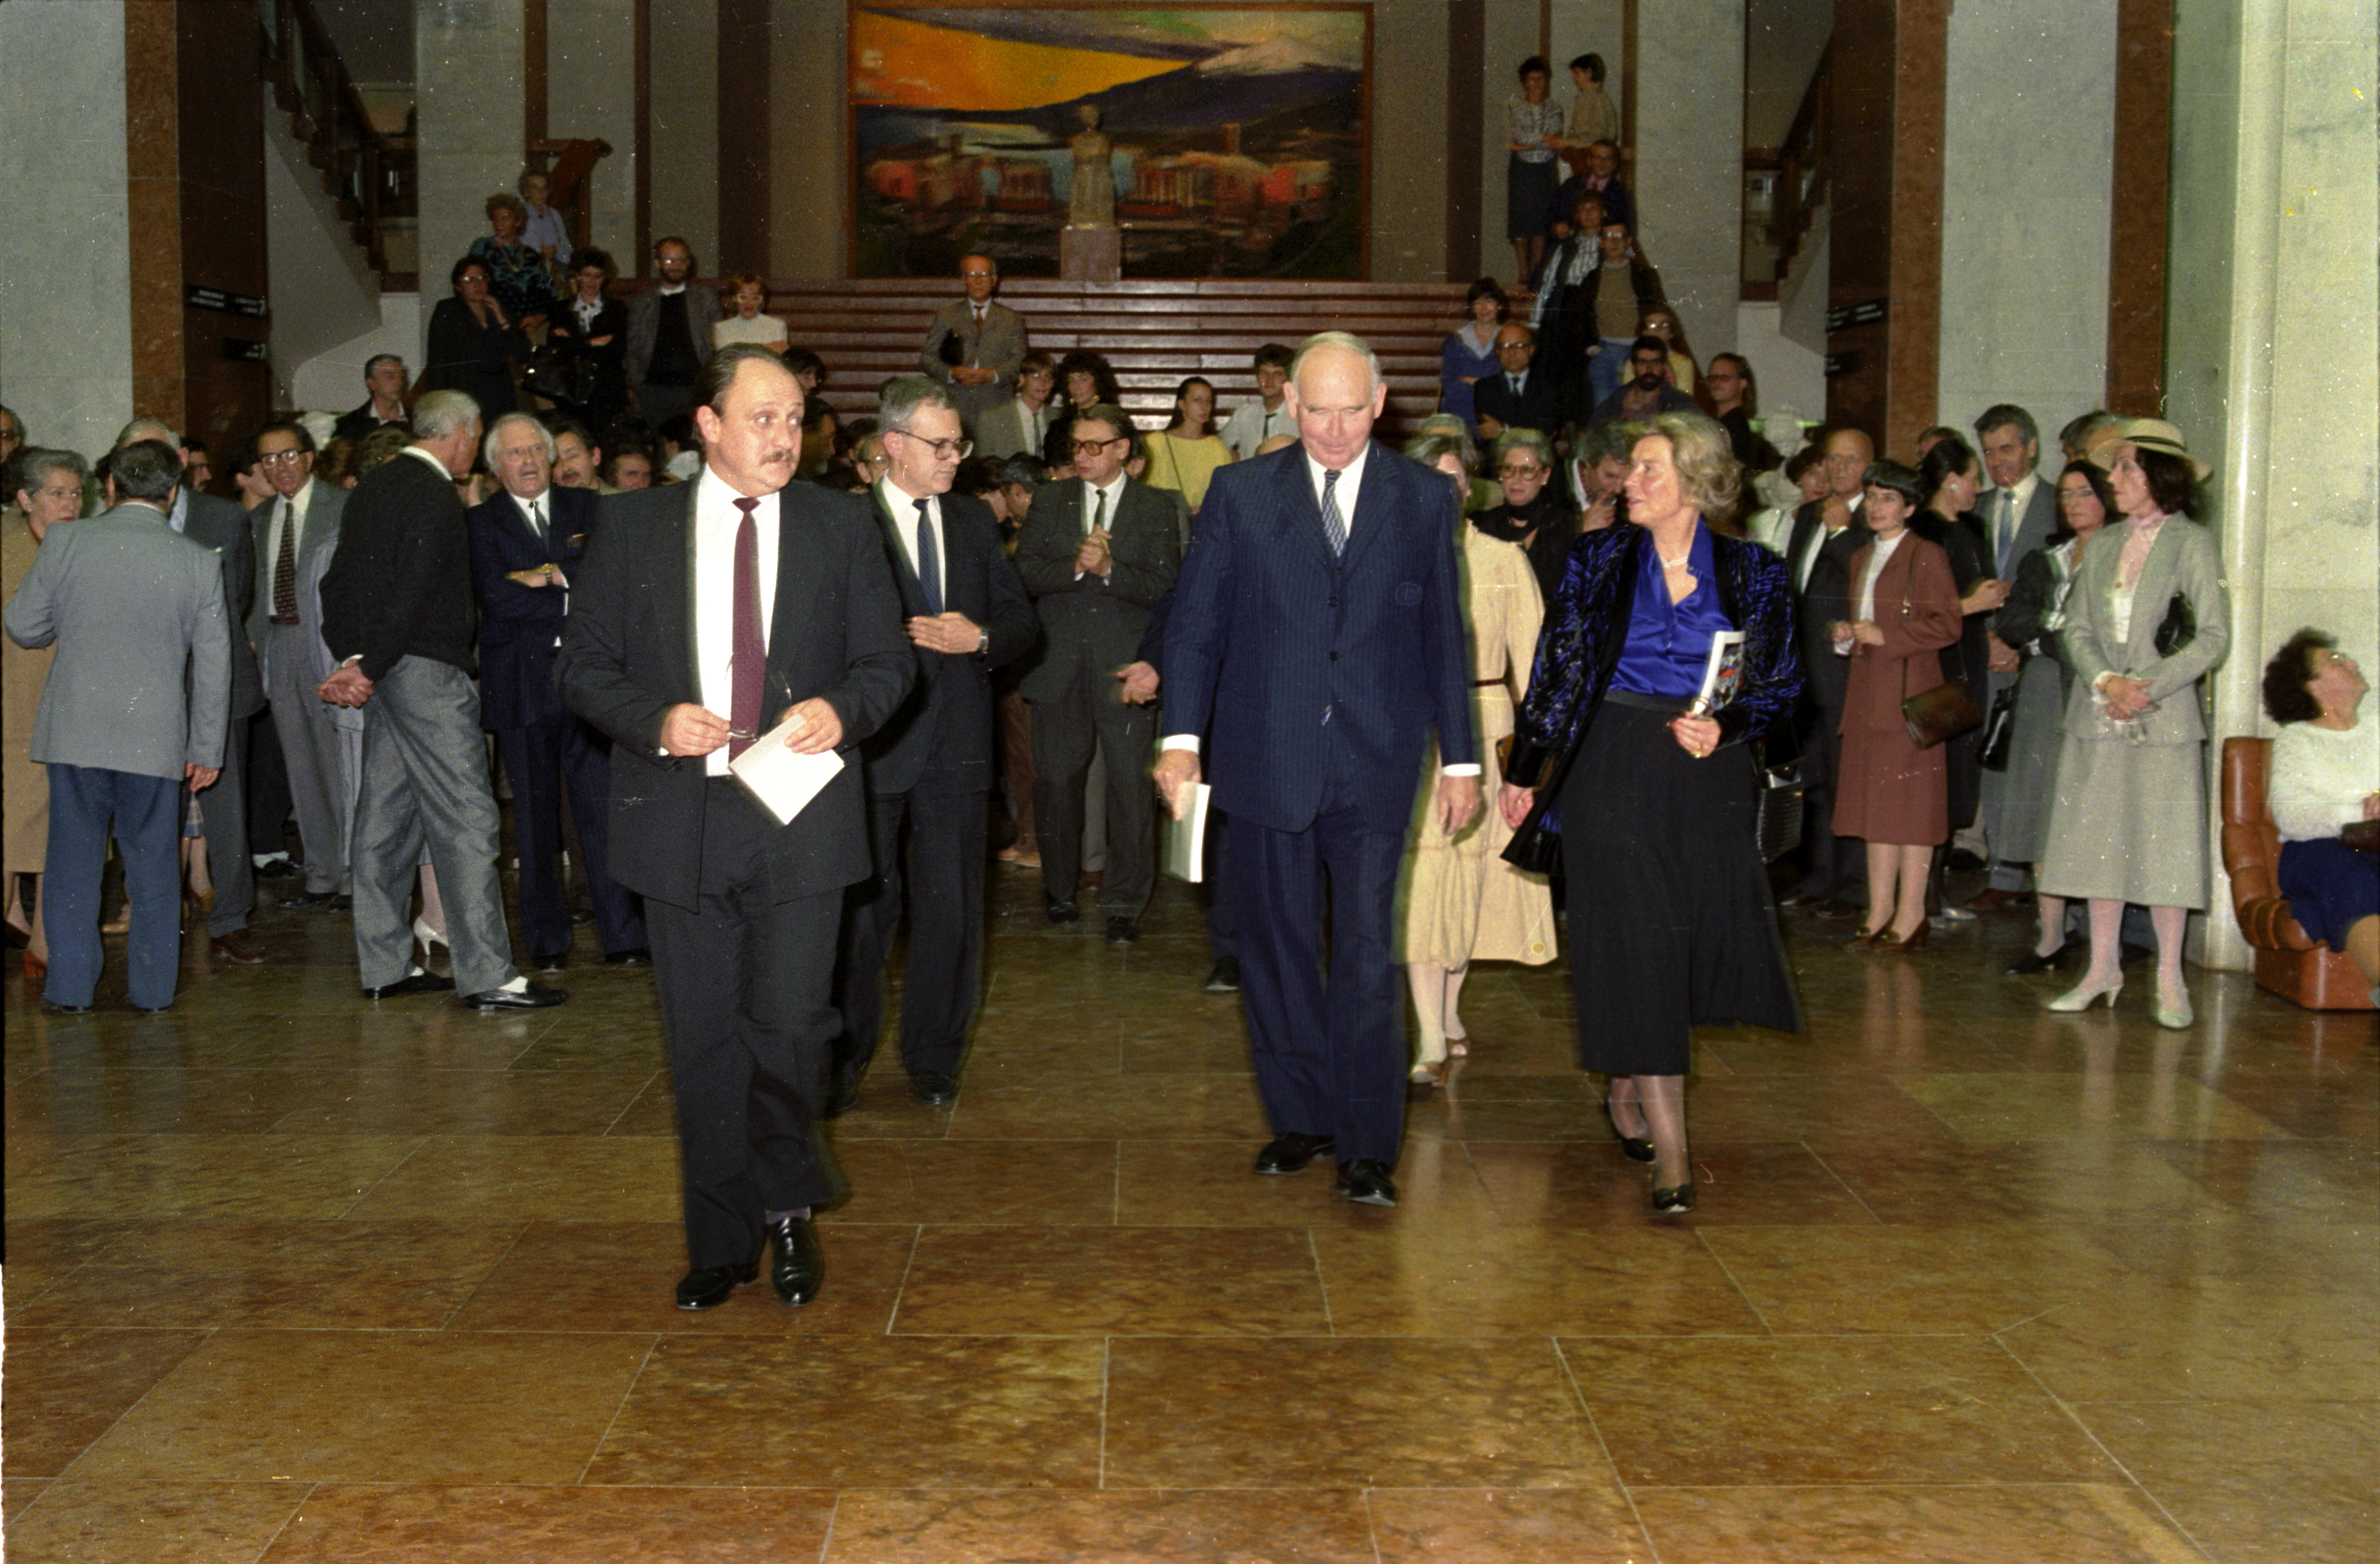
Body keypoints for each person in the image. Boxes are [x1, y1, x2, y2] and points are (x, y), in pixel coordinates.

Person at [557, 345, 914, 1312]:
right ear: (707, 426)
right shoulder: (632, 529)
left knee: (793, 1025)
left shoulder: (843, 526)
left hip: (799, 809)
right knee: (704, 1036)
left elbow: (889, 663)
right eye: (764, 418)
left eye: (797, 418)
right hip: (682, 814)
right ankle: (720, 1237)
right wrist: (653, 720)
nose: (786, 437)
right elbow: (582, 667)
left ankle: (788, 1202)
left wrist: (847, 708)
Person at [1155, 332, 1480, 1211]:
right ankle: (1300, 1115)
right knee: (1276, 946)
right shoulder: (1239, 491)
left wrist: (1460, 756)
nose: (1333, 429)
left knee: (1369, 951)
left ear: (1379, 404)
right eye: (1316, 409)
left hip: (1377, 760)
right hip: (1265, 756)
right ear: (1287, 407)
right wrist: (1180, 736)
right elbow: (1194, 626)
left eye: (1350, 409)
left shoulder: (1419, 497)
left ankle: (1368, 1143)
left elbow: (1443, 635)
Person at [1497, 412, 1802, 1215]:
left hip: (1706, 773)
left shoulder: (1754, 570)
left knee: (1683, 935)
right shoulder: (1596, 556)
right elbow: (1556, 670)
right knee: (1633, 934)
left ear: (1694, 480)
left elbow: (1777, 684)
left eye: (1644, 469)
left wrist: (1727, 723)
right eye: (1625, 468)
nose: (1623, 480)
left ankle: (1626, 1073)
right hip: (1612, 764)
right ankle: (1672, 1149)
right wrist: (1526, 771)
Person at [316, 390, 563, 1013]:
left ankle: (384, 964)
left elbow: (336, 582)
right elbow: (419, 590)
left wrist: (353, 661)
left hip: (388, 672)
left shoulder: (374, 485)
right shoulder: (433, 496)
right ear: (459, 434)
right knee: (470, 820)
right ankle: (487, 975)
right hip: (425, 672)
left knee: (384, 821)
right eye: (475, 436)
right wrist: (369, 664)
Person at [832, 375, 1038, 1112]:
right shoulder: (844, 525)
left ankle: (935, 1056)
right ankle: (843, 1057)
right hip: (873, 749)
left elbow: (1021, 624)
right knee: (862, 915)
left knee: (952, 911)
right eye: (940, 445)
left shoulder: (975, 524)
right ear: (894, 447)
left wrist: (976, 636)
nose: (955, 458)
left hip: (956, 746)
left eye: (960, 444)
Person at [5, 440, 228, 1014]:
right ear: (173, 493)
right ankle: (152, 993)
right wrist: (205, 747)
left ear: (109, 488)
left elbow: (24, 626)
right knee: (154, 872)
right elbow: (215, 666)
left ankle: (70, 989)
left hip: (75, 733)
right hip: (155, 740)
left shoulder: (67, 541)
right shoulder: (200, 560)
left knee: (72, 866)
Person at [2038, 421, 2232, 1028]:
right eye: (2113, 468)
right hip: (2099, 716)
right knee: (2097, 845)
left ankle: (2171, 978)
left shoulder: (2191, 543)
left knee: (2164, 847)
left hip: (2162, 721)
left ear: (2159, 475)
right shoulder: (2104, 543)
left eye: (2127, 468)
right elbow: (2075, 628)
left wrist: (2145, 686)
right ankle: (2102, 968)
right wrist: (2106, 683)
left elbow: (2213, 638)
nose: (2113, 480)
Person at [466, 411, 648, 972]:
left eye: (535, 451)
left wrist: (542, 576)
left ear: (551, 458)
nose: (526, 461)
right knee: (535, 823)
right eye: (514, 453)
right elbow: (496, 602)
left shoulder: (588, 509)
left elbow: (607, 582)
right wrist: (567, 578)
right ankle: (546, 943)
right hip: (521, 690)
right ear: (497, 466)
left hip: (589, 686)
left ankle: (624, 936)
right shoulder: (478, 523)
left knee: (603, 813)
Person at [1398, 432, 1553, 1086]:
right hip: (1412, 736)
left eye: (1456, 479)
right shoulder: (1387, 558)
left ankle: (1450, 1011)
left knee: (1477, 881)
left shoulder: (1502, 560)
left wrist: (1534, 764)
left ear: (1471, 488)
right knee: (1429, 883)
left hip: (1487, 725)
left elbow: (1538, 669)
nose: (1445, 490)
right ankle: (1428, 1035)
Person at [1016, 402, 1180, 941]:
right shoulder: (1050, 498)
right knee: (1057, 783)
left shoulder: (1156, 506)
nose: (1081, 456)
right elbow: (1025, 574)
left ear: (1123, 450)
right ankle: (1059, 892)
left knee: (1131, 791)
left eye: (1094, 446)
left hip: (1124, 671)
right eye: (1076, 446)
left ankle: (1124, 904)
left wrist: (1110, 570)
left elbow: (1165, 586)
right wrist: (1073, 565)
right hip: (1058, 666)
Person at [115, 418, 266, 965]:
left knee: (226, 810)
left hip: (218, 683)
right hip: (149, 688)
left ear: (179, 459)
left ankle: (231, 919)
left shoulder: (225, 518)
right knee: (151, 808)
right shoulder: (113, 526)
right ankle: (155, 917)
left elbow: (239, 596)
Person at [1827, 459, 1961, 952]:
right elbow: (1861, 623)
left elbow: (1948, 625)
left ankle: (1911, 914)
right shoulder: (1862, 556)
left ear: (1909, 505)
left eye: (1889, 498)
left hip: (1911, 697)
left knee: (1913, 810)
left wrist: (1888, 635)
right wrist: (1846, 636)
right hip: (1867, 693)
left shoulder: (1926, 555)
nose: (1878, 507)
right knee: (1875, 810)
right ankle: (1879, 908)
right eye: (1873, 497)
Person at [1995, 460, 2115, 975]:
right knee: (2040, 808)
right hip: (2045, 691)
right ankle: (2049, 935)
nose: (2072, 503)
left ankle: (2099, 937)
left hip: (2095, 692)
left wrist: (2052, 634)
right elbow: (2012, 619)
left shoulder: (2125, 555)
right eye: (2065, 495)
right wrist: (2060, 629)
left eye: (2083, 492)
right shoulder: (2045, 558)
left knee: (2088, 811)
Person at [248, 419, 353, 912]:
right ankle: (321, 874)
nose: (280, 467)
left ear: (309, 457)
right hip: (279, 643)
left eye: (288, 455)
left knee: (339, 763)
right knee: (300, 763)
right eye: (269, 459)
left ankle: (354, 875)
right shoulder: (259, 516)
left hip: (327, 646)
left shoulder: (341, 506)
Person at [1967, 403, 2060, 909]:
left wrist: (2015, 642)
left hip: (2037, 661)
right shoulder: (1975, 508)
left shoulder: (2058, 505)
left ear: (2030, 447)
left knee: (2035, 768)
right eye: (1987, 452)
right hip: (1982, 656)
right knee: (1992, 760)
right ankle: (2002, 872)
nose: (1997, 461)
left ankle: (2037, 874)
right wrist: (1981, 638)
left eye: (2006, 448)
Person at [3, 448, 88, 983]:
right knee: (17, 828)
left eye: (77, 493)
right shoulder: (9, 554)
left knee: (66, 829)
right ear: (25, 499)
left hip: (73, 713)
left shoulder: (85, 548)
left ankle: (43, 940)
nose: (70, 504)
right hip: (16, 711)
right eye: (57, 493)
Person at [1908, 436, 2000, 922]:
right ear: (1950, 481)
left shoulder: (1972, 528)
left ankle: (1936, 894)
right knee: (1934, 782)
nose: (1976, 487)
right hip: (1937, 665)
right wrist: (1969, 605)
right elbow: (1919, 608)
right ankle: (1921, 898)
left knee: (1958, 780)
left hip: (1968, 660)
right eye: (1972, 478)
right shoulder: (1921, 532)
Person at [1781, 427, 1873, 915]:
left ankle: (1854, 885)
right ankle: (1819, 878)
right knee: (1812, 777)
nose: (1838, 468)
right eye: (1831, 459)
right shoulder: (1810, 514)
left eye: (1849, 460)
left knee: (1847, 777)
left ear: (1868, 465)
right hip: (1805, 668)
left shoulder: (1872, 517)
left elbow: (1863, 572)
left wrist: (1841, 531)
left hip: (1845, 671)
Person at [2262, 630, 2380, 999]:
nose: (2352, 663)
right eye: (2335, 660)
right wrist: (2362, 811)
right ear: (2310, 686)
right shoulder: (2297, 740)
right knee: (2351, 872)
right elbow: (2291, 815)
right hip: (2317, 852)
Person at [921, 253, 1027, 436]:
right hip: (956, 403)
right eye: (972, 274)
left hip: (996, 403)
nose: (978, 281)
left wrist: (993, 375)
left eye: (984, 274)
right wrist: (951, 373)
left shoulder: (1012, 319)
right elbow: (927, 359)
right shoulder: (946, 316)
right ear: (964, 280)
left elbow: (1021, 360)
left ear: (994, 280)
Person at [1473, 426, 1577, 603]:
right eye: (1508, 469)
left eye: (1527, 470)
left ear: (1545, 475)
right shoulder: (1481, 527)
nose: (1516, 478)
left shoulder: (1568, 527)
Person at [624, 236, 721, 428]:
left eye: (681, 260)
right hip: (653, 390)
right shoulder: (642, 302)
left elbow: (716, 342)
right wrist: (638, 384)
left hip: (695, 389)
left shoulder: (706, 297)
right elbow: (632, 347)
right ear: (657, 263)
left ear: (689, 263)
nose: (676, 265)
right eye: (669, 260)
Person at [424, 256, 525, 417]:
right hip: (465, 396)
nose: (477, 284)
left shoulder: (499, 307)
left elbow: (522, 354)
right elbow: (438, 361)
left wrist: (502, 319)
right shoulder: (448, 310)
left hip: (501, 394)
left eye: (481, 278)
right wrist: (438, 405)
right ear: (458, 286)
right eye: (468, 280)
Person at [546, 248, 629, 428]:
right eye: (587, 275)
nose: (592, 281)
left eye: (598, 276)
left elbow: (617, 351)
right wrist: (593, 342)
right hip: (570, 393)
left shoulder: (616, 309)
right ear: (577, 276)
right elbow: (557, 353)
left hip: (606, 391)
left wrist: (573, 342)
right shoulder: (560, 309)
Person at [1505, 55, 1565, 286]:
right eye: (1533, 80)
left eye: (1541, 80)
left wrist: (1532, 141)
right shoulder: (1516, 107)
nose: (1537, 84)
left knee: (1541, 220)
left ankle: (1537, 273)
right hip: (1522, 167)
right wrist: (1539, 139)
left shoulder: (1554, 108)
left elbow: (1555, 135)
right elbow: (1517, 136)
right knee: (1521, 220)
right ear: (1524, 83)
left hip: (1544, 168)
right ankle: (1522, 272)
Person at [1140, 376, 1235, 518]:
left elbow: (1226, 497)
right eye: (1197, 400)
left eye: (1208, 401)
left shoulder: (1218, 447)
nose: (1204, 407)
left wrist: (1205, 510)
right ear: (1182, 405)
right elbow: (1142, 493)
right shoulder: (1155, 443)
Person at [467, 191, 555, 329]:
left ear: (518, 221)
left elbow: (548, 291)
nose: (499, 224)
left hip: (527, 323)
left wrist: (539, 317)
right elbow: (471, 283)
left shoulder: (530, 255)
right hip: (493, 320)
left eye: (505, 218)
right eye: (496, 219)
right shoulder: (483, 247)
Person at [1471, 324, 1565, 443]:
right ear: (1498, 351)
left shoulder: (1549, 387)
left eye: (1519, 346)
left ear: (1531, 350)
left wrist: (1504, 429)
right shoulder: (1484, 388)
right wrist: (1529, 427)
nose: (1512, 353)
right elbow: (1488, 432)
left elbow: (1547, 430)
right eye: (1505, 346)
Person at [1439, 278, 1508, 434]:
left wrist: (1472, 381)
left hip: (1497, 415)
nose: (1484, 308)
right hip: (1460, 412)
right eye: (1477, 303)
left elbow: (1508, 387)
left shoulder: (1508, 339)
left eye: (1489, 301)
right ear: (1471, 308)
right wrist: (1488, 384)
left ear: (1499, 305)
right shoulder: (1456, 341)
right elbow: (1449, 385)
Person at [1584, 336, 1699, 429]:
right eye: (1643, 363)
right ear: (1634, 367)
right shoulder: (1613, 404)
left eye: (1655, 363)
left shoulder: (1681, 403)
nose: (1649, 369)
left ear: (1664, 366)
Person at [976, 351, 1058, 462]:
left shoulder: (1058, 418)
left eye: (1048, 378)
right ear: (1022, 379)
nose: (1043, 382)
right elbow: (984, 467)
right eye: (1036, 376)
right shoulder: (992, 419)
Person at [1217, 344, 1296, 459]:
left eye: (1277, 374)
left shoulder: (1298, 416)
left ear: (1288, 379)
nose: (1269, 380)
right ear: (1257, 376)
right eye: (1264, 373)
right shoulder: (1244, 414)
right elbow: (1219, 446)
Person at [1703, 353, 1779, 472]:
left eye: (1724, 378)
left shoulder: (1737, 426)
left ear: (1742, 383)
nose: (1716, 383)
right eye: (1712, 378)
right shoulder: (1717, 424)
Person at [1547, 137, 1634, 237]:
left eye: (1608, 159)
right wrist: (1557, 227)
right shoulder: (1572, 185)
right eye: (1598, 157)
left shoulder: (1619, 194)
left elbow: (1624, 228)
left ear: (1615, 164)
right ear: (1589, 161)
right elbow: (1552, 216)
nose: (1602, 163)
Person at [332, 354, 411, 444]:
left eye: (401, 376)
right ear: (371, 384)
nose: (399, 382)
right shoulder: (351, 424)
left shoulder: (416, 419)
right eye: (389, 376)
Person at [713, 270, 788, 353]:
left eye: (755, 298)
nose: (749, 303)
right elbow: (728, 358)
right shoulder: (722, 329)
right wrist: (766, 347)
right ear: (734, 298)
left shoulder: (777, 326)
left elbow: (777, 358)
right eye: (743, 297)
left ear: (762, 300)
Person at [1067, 104, 1117, 228]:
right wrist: (1091, 157)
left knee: (1099, 200)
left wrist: (1090, 158)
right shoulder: (1077, 140)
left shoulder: (1103, 140)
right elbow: (1080, 156)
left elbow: (1102, 155)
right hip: (1083, 176)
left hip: (1098, 176)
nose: (1092, 119)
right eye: (1088, 116)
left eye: (1093, 116)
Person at [517, 168, 572, 278]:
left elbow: (567, 249)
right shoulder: (520, 215)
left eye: (544, 188)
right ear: (526, 191)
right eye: (535, 188)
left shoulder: (554, 215)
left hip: (555, 275)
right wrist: (541, 252)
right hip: (530, 276)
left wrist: (556, 251)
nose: (540, 193)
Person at [1564, 53, 1620, 162]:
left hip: (1591, 159)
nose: (1574, 79)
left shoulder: (1593, 99)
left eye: (1577, 73)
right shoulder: (1594, 97)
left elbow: (1596, 137)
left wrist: (1567, 143)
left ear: (1589, 73)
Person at [1639, 305, 1698, 396]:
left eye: (1664, 325)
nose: (1657, 329)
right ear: (1644, 331)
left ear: (1671, 333)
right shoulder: (1634, 363)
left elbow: (1686, 399)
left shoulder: (1683, 363)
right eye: (1652, 324)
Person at [548, 419, 603, 490]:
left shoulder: (619, 500)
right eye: (556, 462)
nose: (565, 468)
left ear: (595, 457)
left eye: (572, 456)